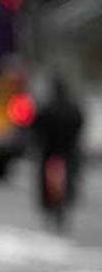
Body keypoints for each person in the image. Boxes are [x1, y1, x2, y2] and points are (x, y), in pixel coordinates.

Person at [31, 74, 85, 231]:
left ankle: (50, 205)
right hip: (68, 151)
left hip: (50, 152)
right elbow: (79, 125)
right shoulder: (73, 108)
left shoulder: (46, 108)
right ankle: (66, 200)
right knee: (72, 177)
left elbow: (36, 128)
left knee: (46, 179)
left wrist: (37, 144)